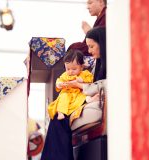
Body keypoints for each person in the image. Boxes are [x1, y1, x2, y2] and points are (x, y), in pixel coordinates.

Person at [41, 27, 106, 160]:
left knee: (59, 121)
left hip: (84, 96)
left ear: (102, 43)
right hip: (84, 96)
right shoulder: (99, 64)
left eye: (92, 46)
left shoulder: (111, 63)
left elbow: (97, 84)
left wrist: (78, 85)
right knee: (56, 119)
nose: (89, 51)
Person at [48, 49, 93, 120]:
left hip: (79, 93)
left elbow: (90, 80)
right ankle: (60, 112)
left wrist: (82, 80)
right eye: (68, 69)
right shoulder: (65, 75)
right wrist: (59, 84)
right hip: (67, 93)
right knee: (62, 98)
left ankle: (89, 100)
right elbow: (59, 81)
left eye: (74, 69)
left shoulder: (84, 73)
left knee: (83, 97)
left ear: (81, 67)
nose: (70, 71)